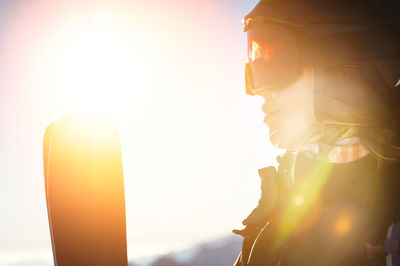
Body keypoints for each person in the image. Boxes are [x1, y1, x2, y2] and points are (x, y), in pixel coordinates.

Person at [233, 0, 400, 265]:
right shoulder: (282, 203)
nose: (256, 89)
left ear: (347, 60)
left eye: (271, 59)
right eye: (254, 65)